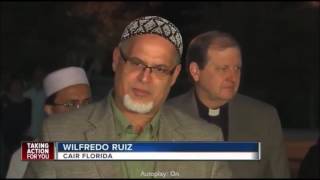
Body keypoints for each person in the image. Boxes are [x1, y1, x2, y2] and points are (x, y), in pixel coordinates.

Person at [24, 16, 231, 178]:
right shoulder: (55, 133)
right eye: (136, 62)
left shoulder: (207, 140)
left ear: (174, 75)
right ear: (116, 60)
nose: (144, 78)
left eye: (159, 69)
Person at [168, 30, 290, 178]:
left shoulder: (264, 118)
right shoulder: (166, 115)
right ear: (195, 71)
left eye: (237, 68)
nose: (232, 77)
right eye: (223, 68)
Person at [6, 66, 92, 178]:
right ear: (50, 110)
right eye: (71, 104)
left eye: (86, 103)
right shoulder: (26, 157)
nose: (81, 111)